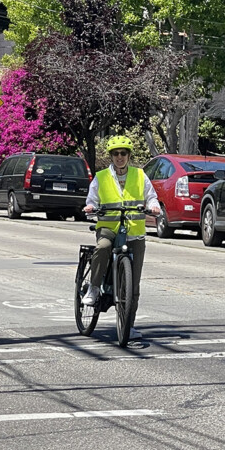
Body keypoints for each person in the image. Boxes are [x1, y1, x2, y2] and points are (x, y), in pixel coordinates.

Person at [82, 135, 161, 340]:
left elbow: (151, 196)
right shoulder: (101, 177)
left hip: (134, 232)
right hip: (109, 227)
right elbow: (92, 199)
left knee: (133, 285)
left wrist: (154, 207)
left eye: (123, 153)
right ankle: (94, 287)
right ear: (111, 156)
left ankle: (128, 325)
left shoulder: (140, 175)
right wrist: (90, 207)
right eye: (116, 153)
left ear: (128, 155)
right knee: (103, 247)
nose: (120, 157)